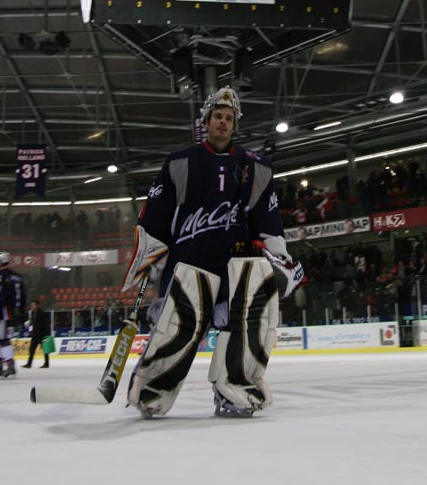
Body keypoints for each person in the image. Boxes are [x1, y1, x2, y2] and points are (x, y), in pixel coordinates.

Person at [121, 86, 304, 419]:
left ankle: (236, 390)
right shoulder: (179, 162)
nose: (223, 122)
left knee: (252, 323)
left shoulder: (257, 167)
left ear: (235, 124)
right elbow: (156, 215)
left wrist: (279, 257)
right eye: (217, 116)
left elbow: (268, 220)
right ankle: (152, 391)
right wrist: (149, 257)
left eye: (229, 118)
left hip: (235, 267)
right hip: (187, 264)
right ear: (206, 121)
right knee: (176, 328)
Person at [0, 252, 26, 378]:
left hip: (3, 312)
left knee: (2, 339)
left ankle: (9, 365)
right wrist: (20, 312)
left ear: (0, 261)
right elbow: (23, 296)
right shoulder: (17, 276)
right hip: (12, 312)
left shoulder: (0, 276)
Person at [22, 300, 51, 368]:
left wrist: (46, 335)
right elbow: (32, 324)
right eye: (31, 305)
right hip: (35, 335)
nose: (32, 306)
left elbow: (46, 325)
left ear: (37, 305)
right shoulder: (32, 313)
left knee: (45, 350)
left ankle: (46, 363)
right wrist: (31, 332)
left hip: (42, 335)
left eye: (33, 305)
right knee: (31, 350)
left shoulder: (42, 313)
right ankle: (29, 364)